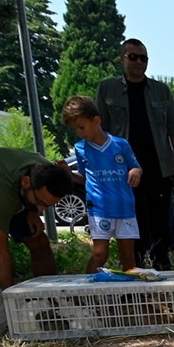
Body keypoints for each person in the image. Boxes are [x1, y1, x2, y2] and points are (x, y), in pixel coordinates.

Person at [96, 38, 174, 270]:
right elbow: (101, 131)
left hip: (158, 167)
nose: (139, 62)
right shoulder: (107, 89)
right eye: (133, 57)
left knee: (162, 224)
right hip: (123, 169)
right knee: (131, 222)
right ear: (122, 59)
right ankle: (135, 267)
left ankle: (162, 264)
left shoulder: (160, 90)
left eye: (143, 58)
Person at [0, 149, 70, 288]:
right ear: (26, 182)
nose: (41, 210)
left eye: (47, 206)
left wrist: (33, 212)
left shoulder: (46, 171)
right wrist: (11, 296)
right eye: (39, 203)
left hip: (6, 187)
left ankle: (52, 295)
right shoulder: (1, 194)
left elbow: (36, 198)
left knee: (38, 240)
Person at [61, 95, 143, 273]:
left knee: (128, 256)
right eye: (75, 129)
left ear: (96, 120)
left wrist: (135, 172)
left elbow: (136, 167)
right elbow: (84, 177)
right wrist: (69, 174)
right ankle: (87, 291)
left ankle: (132, 297)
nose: (79, 132)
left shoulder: (121, 145)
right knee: (100, 254)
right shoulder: (81, 148)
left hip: (124, 207)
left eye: (81, 127)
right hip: (99, 208)